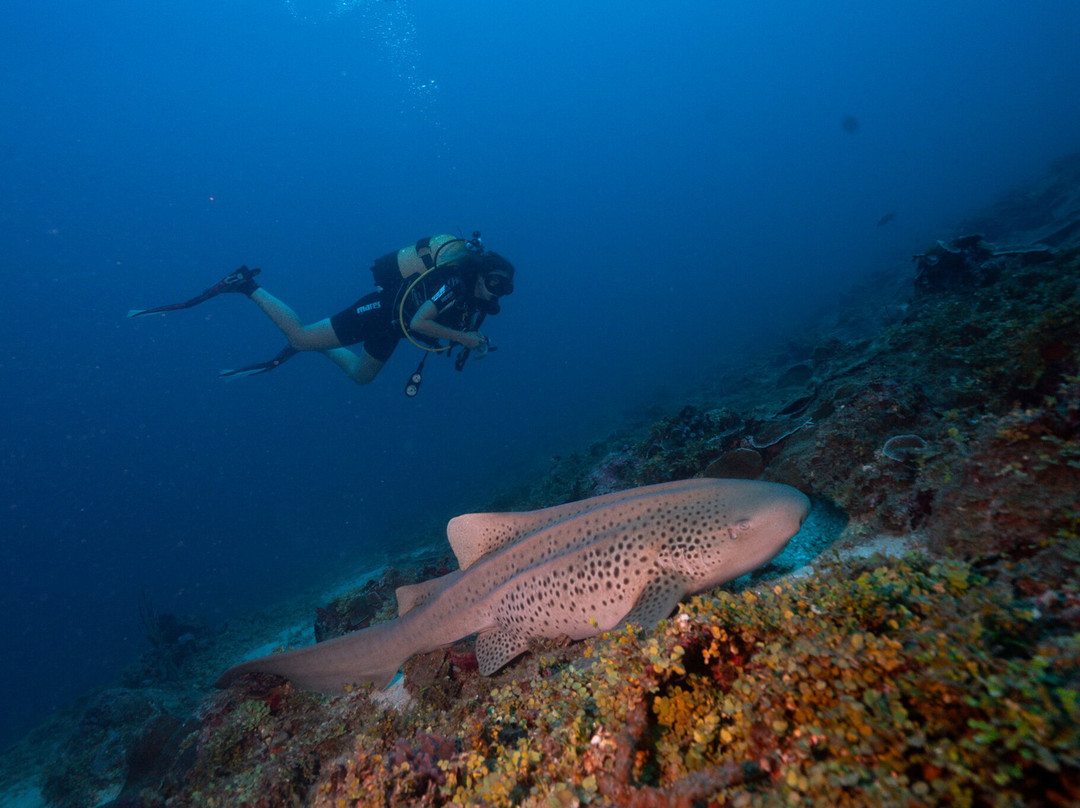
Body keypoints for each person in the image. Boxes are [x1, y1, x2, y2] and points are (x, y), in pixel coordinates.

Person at [128, 233, 515, 386]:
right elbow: (421, 321)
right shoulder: (456, 284)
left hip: (392, 326)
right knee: (298, 336)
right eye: (493, 282)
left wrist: (471, 342)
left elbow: (426, 327)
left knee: (362, 376)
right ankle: (244, 284)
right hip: (382, 311)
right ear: (480, 273)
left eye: (504, 289)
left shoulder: (469, 296)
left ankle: (316, 343)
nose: (495, 292)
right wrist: (465, 337)